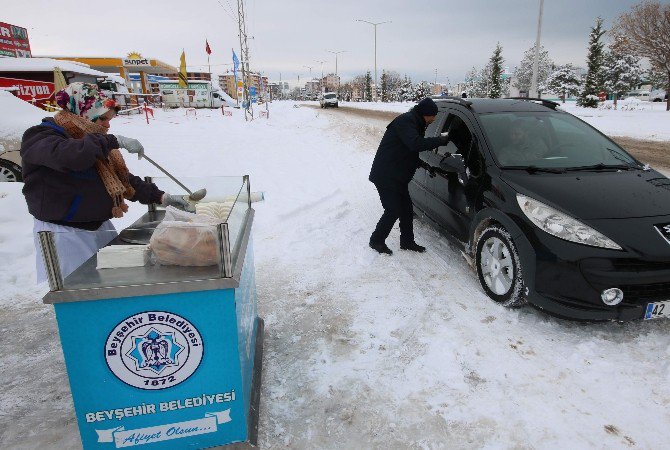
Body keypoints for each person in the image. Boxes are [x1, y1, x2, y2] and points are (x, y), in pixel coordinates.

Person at [21, 82, 189, 283]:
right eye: (102, 118)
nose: (107, 125)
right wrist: (112, 141)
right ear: (81, 112)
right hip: (64, 234)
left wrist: (161, 197)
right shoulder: (41, 136)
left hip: (99, 227)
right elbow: (72, 158)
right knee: (76, 291)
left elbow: (122, 180)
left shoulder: (89, 139)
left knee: (110, 285)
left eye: (109, 119)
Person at [368, 98, 448, 255]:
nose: (434, 119)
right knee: (392, 210)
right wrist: (441, 140)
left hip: (397, 175)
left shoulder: (416, 122)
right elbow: (415, 144)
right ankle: (376, 240)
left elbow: (407, 151)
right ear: (426, 114)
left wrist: (424, 165)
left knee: (406, 209)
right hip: (386, 175)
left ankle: (407, 242)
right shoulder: (406, 121)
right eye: (433, 116)